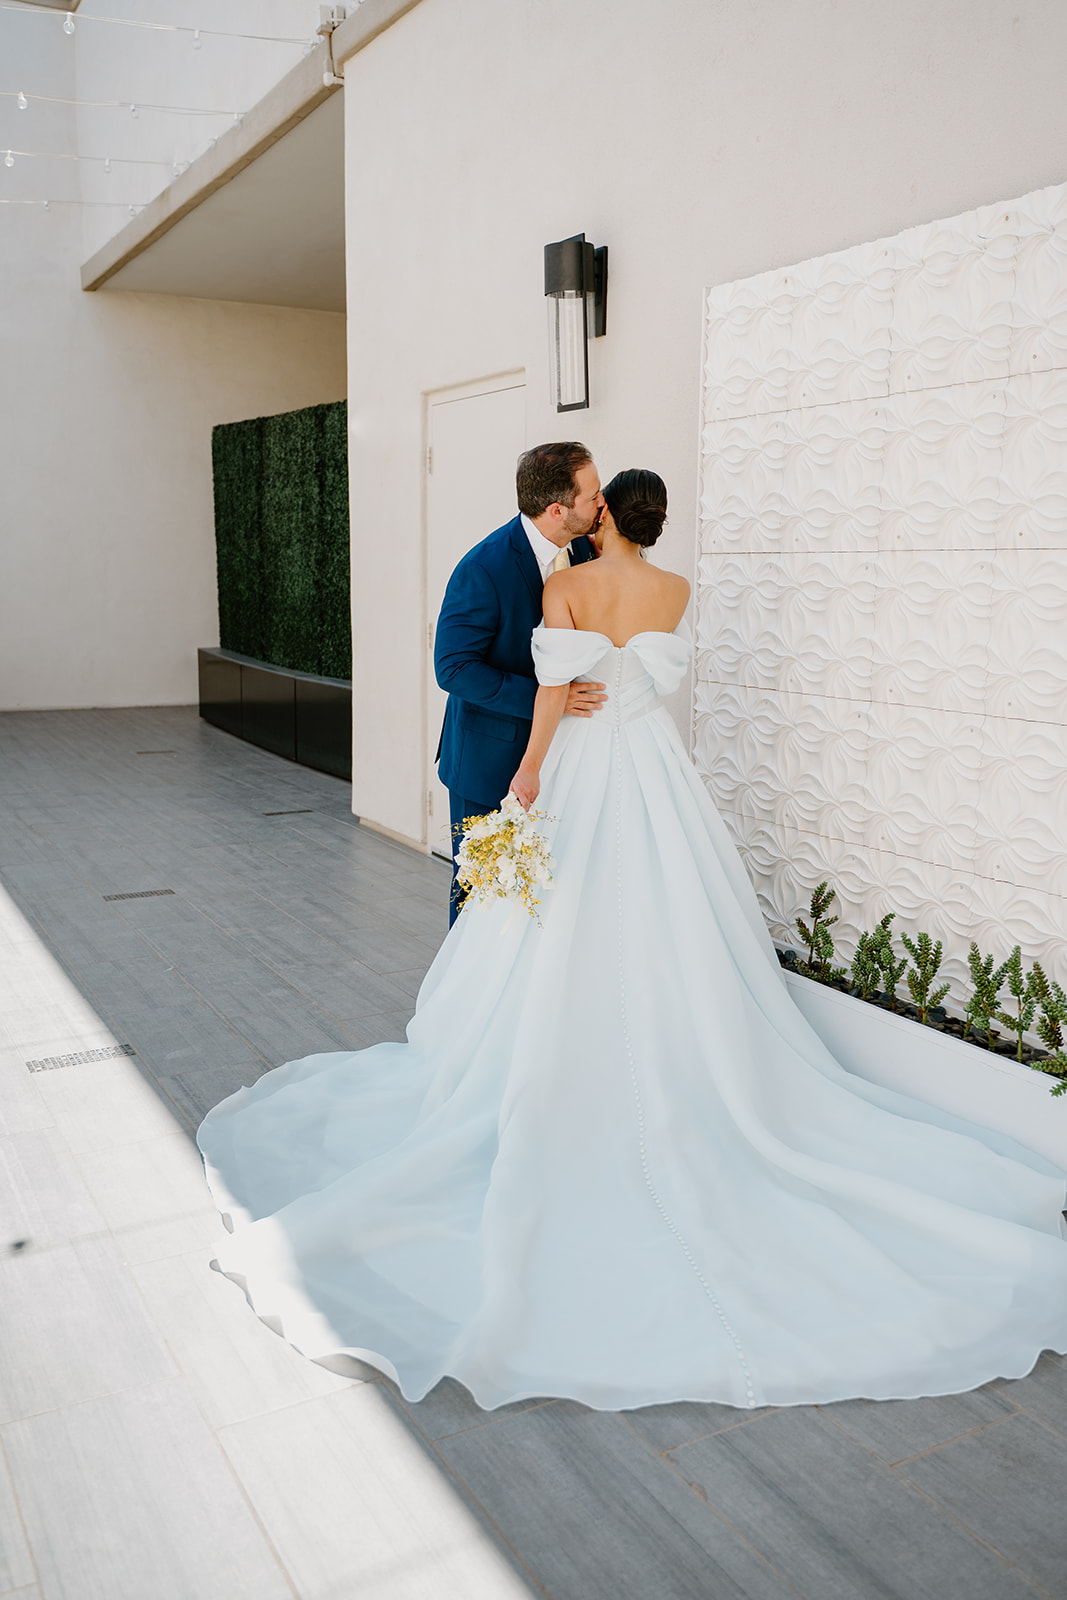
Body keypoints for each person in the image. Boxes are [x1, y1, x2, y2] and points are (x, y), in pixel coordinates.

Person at [197, 468, 1067, 1415]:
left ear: (603, 511)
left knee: (549, 924)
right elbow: (640, 684)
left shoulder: (565, 584)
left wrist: (529, 777)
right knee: (672, 913)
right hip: (655, 771)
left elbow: (552, 693)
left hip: (580, 764)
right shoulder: (676, 590)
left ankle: (549, 1055)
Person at [434, 440, 605, 924]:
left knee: (540, 898)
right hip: (488, 762)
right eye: (593, 496)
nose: (601, 503)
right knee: (480, 899)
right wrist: (551, 699)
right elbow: (452, 668)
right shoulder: (483, 568)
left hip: (561, 760)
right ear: (557, 509)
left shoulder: (583, 548)